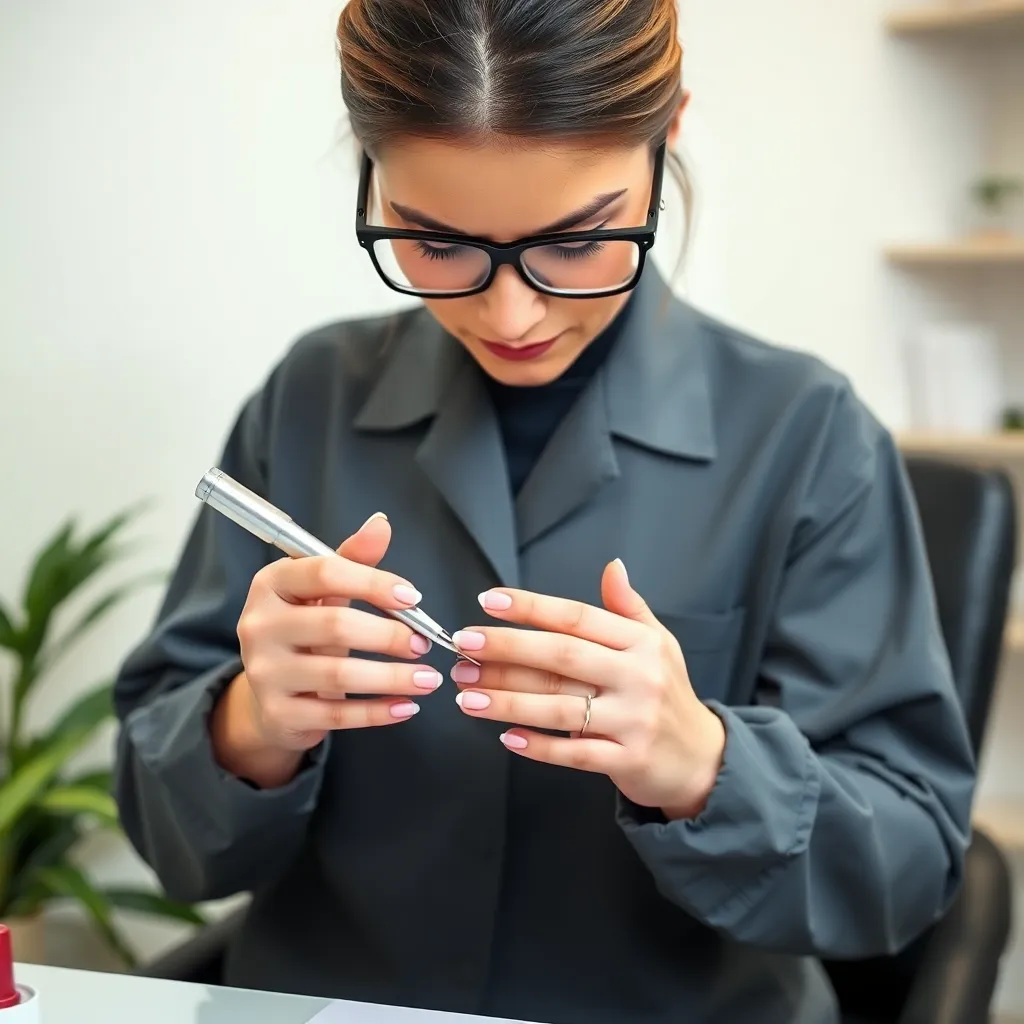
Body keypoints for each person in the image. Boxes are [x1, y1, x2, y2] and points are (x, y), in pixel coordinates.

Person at [111, 2, 976, 1022]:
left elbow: (908, 869)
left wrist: (701, 762)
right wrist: (249, 725)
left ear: (670, 134)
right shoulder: (310, 399)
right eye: (434, 243)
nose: (509, 314)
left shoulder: (807, 432)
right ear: (370, 165)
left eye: (575, 242)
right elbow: (163, 830)